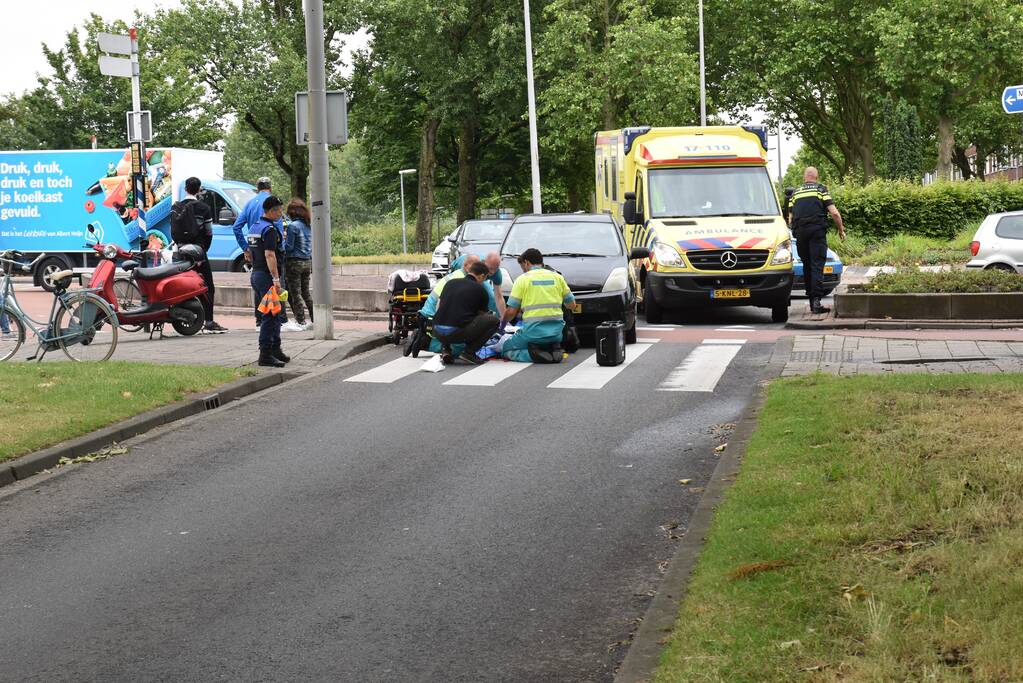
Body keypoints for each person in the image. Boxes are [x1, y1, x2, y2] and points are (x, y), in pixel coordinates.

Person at [786, 167, 846, 314]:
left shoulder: (795, 193)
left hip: (800, 234)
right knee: (817, 265)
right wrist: (840, 230)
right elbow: (834, 213)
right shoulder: (820, 190)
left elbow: (790, 218)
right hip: (816, 232)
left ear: (804, 177)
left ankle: (812, 301)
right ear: (816, 177)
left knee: (807, 266)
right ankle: (816, 303)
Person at [500, 248, 575, 363]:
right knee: (543, 341)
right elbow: (572, 305)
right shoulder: (557, 277)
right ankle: (551, 350)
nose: (523, 270)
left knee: (505, 348)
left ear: (526, 262)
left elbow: (511, 312)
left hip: (532, 333)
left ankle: (533, 355)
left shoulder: (522, 279)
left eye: (522, 267)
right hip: (556, 333)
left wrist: (502, 325)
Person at [173, 177, 227, 334]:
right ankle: (208, 321)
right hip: (198, 253)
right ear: (198, 190)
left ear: (185, 189)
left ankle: (185, 317)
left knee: (183, 285)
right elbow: (208, 232)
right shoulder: (204, 208)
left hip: (181, 252)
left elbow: (174, 232)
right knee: (207, 286)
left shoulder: (176, 207)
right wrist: (203, 249)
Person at [248, 195, 290, 368]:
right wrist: (276, 279)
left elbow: (249, 252)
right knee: (271, 315)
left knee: (275, 312)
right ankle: (265, 354)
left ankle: (275, 350)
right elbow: (270, 254)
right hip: (267, 276)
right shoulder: (270, 229)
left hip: (256, 274)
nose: (281, 213)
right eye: (279, 210)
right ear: (272, 211)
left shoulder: (255, 227)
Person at [432, 260, 499, 365]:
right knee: (493, 320)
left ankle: (446, 350)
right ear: (482, 276)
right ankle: (469, 352)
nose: (484, 281)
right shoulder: (480, 289)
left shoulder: (450, 283)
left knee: (448, 316)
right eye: (485, 278)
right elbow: (483, 315)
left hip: (437, 331)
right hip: (456, 333)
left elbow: (439, 306)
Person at [284, 198, 314, 330]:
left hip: (294, 263)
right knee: (306, 292)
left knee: (295, 293)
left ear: (292, 212)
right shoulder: (308, 225)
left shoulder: (293, 226)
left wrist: (284, 240)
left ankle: (301, 321)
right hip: (307, 261)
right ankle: (315, 318)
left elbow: (289, 247)